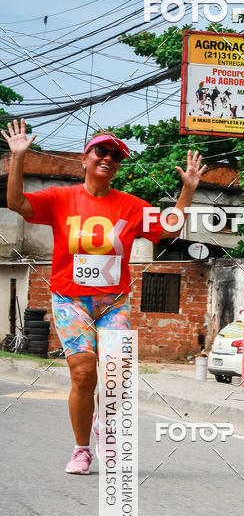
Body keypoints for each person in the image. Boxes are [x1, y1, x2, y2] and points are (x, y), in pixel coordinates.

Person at [2, 118, 207, 474]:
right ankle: (82, 449)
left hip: (113, 302)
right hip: (70, 300)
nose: (109, 157)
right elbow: (17, 202)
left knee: (114, 377)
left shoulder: (130, 206)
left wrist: (187, 189)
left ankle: (104, 425)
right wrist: (18, 156)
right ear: (85, 158)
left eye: (116, 155)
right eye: (102, 151)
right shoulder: (60, 198)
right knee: (83, 374)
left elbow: (169, 227)